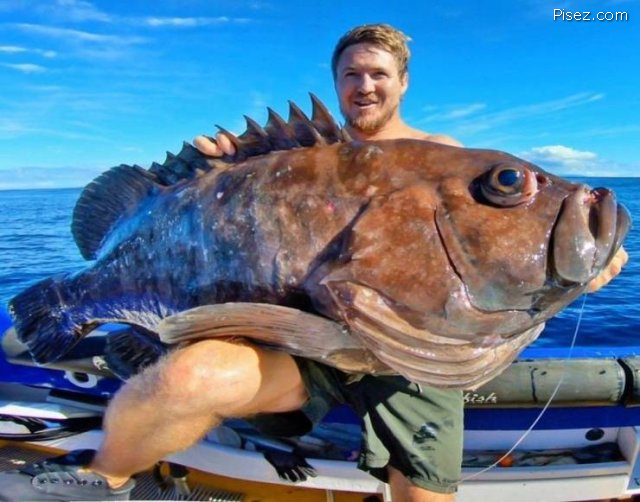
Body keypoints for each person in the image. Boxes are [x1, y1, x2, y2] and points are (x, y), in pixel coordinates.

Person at [0, 24, 628, 502]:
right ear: (337, 82)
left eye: (379, 73)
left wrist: (588, 264)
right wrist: (207, 171)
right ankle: (107, 478)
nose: (365, 86)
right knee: (186, 377)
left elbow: (506, 257)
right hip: (305, 344)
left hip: (414, 357)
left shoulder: (443, 158)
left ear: (403, 82)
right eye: (352, 74)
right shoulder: (278, 156)